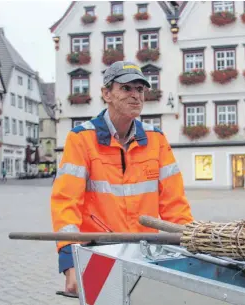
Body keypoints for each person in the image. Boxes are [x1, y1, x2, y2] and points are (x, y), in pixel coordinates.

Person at [50, 61, 194, 295]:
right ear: (106, 93)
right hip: (98, 253)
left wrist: (188, 247)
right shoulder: (82, 139)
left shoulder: (156, 139)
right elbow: (66, 203)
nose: (136, 96)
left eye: (140, 89)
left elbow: (174, 205)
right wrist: (69, 261)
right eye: (127, 88)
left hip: (145, 254)